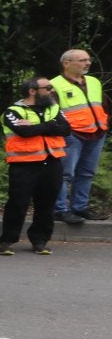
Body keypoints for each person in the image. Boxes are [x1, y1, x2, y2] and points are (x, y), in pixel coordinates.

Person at [0, 78, 69, 255]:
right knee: (18, 203)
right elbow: (24, 132)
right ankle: (7, 240)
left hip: (52, 162)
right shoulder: (12, 111)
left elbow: (66, 129)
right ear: (32, 90)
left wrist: (38, 126)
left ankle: (40, 240)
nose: (52, 91)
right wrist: (51, 125)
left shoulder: (54, 108)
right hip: (24, 164)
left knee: (46, 203)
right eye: (48, 88)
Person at [50, 49, 108, 223]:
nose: (88, 63)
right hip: (72, 135)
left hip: (97, 133)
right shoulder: (54, 85)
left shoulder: (94, 81)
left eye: (88, 60)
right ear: (66, 63)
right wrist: (66, 130)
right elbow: (53, 112)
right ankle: (60, 209)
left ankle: (80, 207)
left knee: (87, 173)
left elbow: (103, 104)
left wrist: (105, 123)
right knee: (65, 173)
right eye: (82, 60)